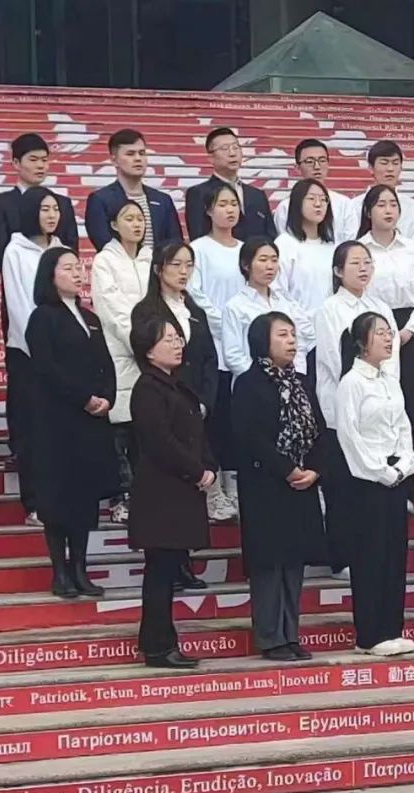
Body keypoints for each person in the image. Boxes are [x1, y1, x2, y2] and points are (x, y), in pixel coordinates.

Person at [232, 312, 327, 662]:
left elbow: (319, 430)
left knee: (293, 562)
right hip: (266, 486)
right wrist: (287, 469)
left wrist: (314, 469)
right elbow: (249, 436)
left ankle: (291, 634)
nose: (291, 341)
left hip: (301, 485)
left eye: (293, 335)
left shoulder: (301, 382)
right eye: (282, 335)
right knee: (269, 564)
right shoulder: (248, 383)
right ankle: (271, 637)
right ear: (263, 341)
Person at [25, 247, 119, 598]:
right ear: (50, 275)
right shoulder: (43, 317)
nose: (77, 273)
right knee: (58, 497)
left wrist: (107, 397)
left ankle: (80, 568)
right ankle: (60, 572)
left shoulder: (89, 317)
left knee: (84, 497)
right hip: (58, 422)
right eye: (68, 268)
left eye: (79, 267)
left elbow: (106, 362)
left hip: (91, 422)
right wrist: (83, 398)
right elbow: (46, 368)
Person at [128, 317, 217, 669]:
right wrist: (196, 471)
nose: (177, 343)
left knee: (167, 570)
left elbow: (196, 434)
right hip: (161, 496)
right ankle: (157, 646)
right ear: (149, 350)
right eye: (168, 339)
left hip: (180, 492)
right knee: (160, 571)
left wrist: (208, 465)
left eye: (178, 337)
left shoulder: (177, 386)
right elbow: (160, 441)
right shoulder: (148, 389)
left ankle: (161, 642)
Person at [132, 244, 219, 576]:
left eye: (189, 265)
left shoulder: (195, 309)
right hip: (168, 399)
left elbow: (208, 358)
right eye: (176, 265)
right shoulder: (147, 310)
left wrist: (204, 400)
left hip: (194, 404)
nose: (183, 272)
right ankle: (173, 565)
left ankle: (184, 561)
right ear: (159, 269)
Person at [335, 312, 414, 656]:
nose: (388, 338)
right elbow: (350, 436)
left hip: (396, 476)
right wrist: (381, 471)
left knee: (395, 555)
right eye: (380, 333)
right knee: (370, 556)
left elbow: (403, 427)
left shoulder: (390, 380)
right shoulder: (351, 383)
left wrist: (405, 463)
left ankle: (392, 628)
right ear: (361, 342)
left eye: (389, 332)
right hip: (367, 481)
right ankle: (369, 635)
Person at [315, 242, 400, 576]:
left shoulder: (381, 307)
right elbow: (335, 360)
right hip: (343, 407)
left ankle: (371, 553)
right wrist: (363, 389)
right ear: (338, 271)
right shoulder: (330, 309)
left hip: (379, 412)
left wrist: (385, 392)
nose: (364, 268)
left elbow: (391, 357)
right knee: (343, 486)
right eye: (355, 263)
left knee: (372, 488)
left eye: (368, 262)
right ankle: (342, 557)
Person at [1, 186, 65, 527]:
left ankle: (60, 497)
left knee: (58, 431)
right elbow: (19, 304)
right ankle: (35, 503)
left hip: (61, 353)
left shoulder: (62, 249)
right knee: (33, 430)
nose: (52, 215)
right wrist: (42, 346)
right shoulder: (15, 251)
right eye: (44, 209)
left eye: (55, 209)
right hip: (28, 353)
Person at [90, 201, 153, 525]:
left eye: (140, 219)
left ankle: (146, 496)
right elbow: (110, 307)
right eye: (129, 219)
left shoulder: (150, 259)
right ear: (114, 224)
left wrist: (156, 343)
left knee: (147, 429)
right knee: (121, 431)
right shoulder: (104, 261)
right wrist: (139, 342)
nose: (136, 224)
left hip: (153, 353)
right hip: (120, 350)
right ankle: (121, 497)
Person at [185, 180, 244, 520]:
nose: (229, 210)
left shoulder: (247, 250)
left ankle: (234, 487)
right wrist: (229, 322)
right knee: (215, 420)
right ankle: (214, 491)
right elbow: (197, 297)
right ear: (208, 210)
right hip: (213, 345)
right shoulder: (199, 250)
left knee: (238, 422)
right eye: (222, 204)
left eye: (233, 204)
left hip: (245, 347)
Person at [356, 184, 414, 432]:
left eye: (393, 205)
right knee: (374, 395)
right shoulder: (359, 249)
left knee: (408, 395)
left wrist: (408, 331)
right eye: (381, 205)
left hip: (408, 328)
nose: (388, 210)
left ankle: (406, 454)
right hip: (370, 327)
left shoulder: (412, 249)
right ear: (368, 211)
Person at [222, 237, 315, 379]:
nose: (270, 266)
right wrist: (263, 378)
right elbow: (233, 356)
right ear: (246, 265)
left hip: (291, 380)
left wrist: (298, 373)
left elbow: (302, 339)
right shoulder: (235, 306)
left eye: (274, 260)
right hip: (254, 383)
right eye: (263, 260)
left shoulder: (285, 301)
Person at [0, 133, 79, 272]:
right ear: (16, 163)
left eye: (44, 160)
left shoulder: (62, 203)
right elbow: (0, 256)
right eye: (33, 160)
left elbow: (71, 250)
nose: (40, 166)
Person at [85, 129, 182, 251]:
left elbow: (175, 243)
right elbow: (103, 243)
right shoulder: (100, 200)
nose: (138, 158)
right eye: (130, 154)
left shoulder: (163, 200)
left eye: (142, 153)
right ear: (114, 161)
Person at [186, 127, 277, 241]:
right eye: (225, 148)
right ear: (211, 158)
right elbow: (198, 236)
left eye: (236, 147)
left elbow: (270, 236)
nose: (232, 153)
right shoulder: (198, 193)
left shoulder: (257, 195)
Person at [273, 179, 338, 319]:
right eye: (311, 199)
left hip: (329, 322)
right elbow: (277, 291)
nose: (318, 204)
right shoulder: (285, 244)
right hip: (295, 322)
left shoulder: (332, 247)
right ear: (297, 203)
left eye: (323, 199)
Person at [274, 139, 358, 242]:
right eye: (310, 161)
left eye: (322, 160)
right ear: (297, 168)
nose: (317, 167)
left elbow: (351, 242)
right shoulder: (285, 207)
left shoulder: (344, 204)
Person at [350, 140, 414, 243]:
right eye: (384, 163)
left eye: (395, 163)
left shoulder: (411, 206)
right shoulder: (354, 205)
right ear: (371, 168)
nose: (390, 169)